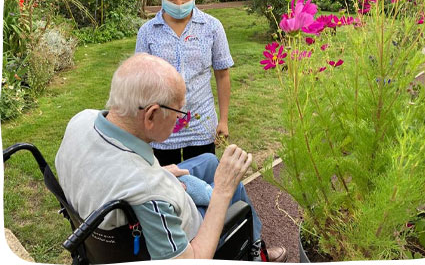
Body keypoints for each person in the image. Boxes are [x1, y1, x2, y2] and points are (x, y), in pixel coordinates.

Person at [55, 54, 287, 261]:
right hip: (190, 237)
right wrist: (223, 191)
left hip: (116, 214)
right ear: (152, 115)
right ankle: (256, 253)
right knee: (231, 183)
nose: (180, 119)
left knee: (208, 161)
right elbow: (190, 260)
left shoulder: (81, 120)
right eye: (178, 112)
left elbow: (116, 176)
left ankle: (254, 243)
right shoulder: (148, 191)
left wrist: (159, 174)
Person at [135, 0, 232, 166]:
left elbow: (222, 74)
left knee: (203, 187)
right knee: (166, 187)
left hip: (200, 124)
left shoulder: (212, 27)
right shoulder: (148, 32)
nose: (178, 2)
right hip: (162, 126)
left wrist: (223, 120)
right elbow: (141, 80)